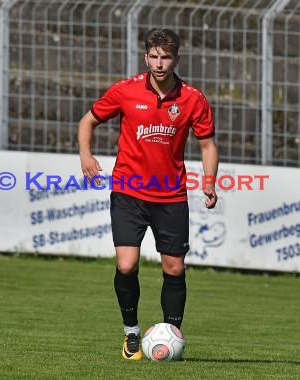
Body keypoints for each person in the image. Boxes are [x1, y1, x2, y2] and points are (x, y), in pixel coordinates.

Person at [78, 28, 218, 360]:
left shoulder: (192, 98)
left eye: (165, 57)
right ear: (146, 57)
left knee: (174, 268)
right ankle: (131, 334)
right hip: (128, 191)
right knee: (126, 266)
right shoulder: (125, 91)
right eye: (154, 56)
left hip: (171, 196)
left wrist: (210, 180)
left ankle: (173, 336)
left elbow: (208, 144)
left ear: (176, 59)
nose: (159, 63)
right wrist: (86, 155)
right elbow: (88, 121)